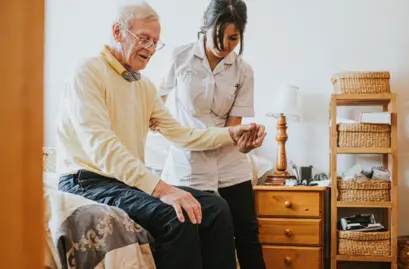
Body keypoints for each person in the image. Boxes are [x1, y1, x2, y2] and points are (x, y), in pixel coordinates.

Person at [55, 1, 266, 269]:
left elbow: (182, 134)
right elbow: (103, 149)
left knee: (215, 209)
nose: (151, 48)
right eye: (144, 39)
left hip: (123, 182)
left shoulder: (144, 87)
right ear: (117, 32)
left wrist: (232, 134)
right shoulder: (86, 72)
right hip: (86, 180)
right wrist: (163, 189)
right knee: (176, 216)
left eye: (156, 42)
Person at [158, 0, 266, 268]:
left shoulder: (244, 71)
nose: (224, 44)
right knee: (197, 239)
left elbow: (232, 128)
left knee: (247, 238)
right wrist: (153, 120)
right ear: (204, 28)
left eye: (233, 38)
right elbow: (155, 101)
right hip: (188, 165)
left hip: (231, 165)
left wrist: (244, 144)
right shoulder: (179, 57)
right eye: (218, 35)